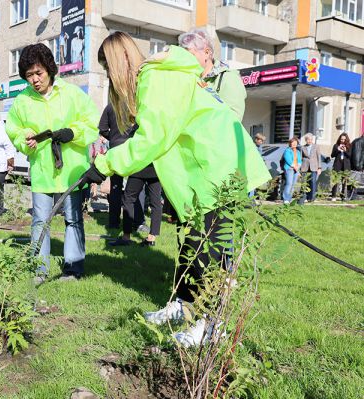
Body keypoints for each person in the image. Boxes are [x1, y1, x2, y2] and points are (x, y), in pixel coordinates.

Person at [81, 32, 269, 346]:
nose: (109, 78)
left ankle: (212, 326)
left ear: (119, 63)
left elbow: (152, 139)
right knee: (192, 247)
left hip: (218, 169)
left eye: (108, 68)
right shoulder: (159, 77)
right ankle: (183, 305)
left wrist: (103, 165)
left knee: (211, 252)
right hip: (202, 170)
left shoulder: (156, 79)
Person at [6, 43, 99, 282]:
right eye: (29, 76)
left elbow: (91, 123)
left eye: (39, 73)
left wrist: (72, 132)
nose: (35, 80)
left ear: (49, 69)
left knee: (73, 218)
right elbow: (13, 130)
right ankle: (39, 269)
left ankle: (73, 269)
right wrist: (25, 138)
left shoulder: (73, 94)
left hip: (71, 169)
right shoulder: (22, 101)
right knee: (40, 221)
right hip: (43, 170)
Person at [109, 123, 163, 247]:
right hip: (155, 167)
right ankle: (152, 237)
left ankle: (126, 236)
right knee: (155, 203)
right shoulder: (157, 124)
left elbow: (132, 143)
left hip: (140, 167)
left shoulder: (141, 124)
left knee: (128, 198)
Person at [179, 28, 247, 120]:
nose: (186, 59)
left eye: (191, 55)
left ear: (207, 53)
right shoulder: (189, 78)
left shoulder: (228, 78)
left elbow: (233, 120)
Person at [98, 104, 146, 230]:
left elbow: (102, 129)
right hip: (132, 150)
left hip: (116, 150)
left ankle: (114, 222)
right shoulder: (136, 106)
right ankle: (138, 222)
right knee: (137, 186)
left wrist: (113, 137)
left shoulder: (110, 107)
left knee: (115, 188)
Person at [300, 133, 322, 202]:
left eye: (311, 139)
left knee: (312, 182)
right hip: (305, 167)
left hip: (314, 167)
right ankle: (304, 197)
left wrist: (319, 167)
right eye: (308, 139)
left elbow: (319, 157)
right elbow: (300, 158)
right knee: (304, 182)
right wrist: (299, 168)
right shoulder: (302, 147)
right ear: (305, 140)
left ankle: (312, 197)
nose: (309, 141)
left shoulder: (316, 147)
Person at [330, 133, 352, 201]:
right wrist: (338, 150)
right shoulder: (336, 145)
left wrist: (345, 151)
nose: (342, 140)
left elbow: (350, 156)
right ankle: (333, 196)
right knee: (335, 181)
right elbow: (332, 155)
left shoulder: (349, 146)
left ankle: (343, 196)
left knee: (344, 182)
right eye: (341, 139)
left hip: (346, 166)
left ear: (346, 139)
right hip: (337, 165)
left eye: (344, 139)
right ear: (339, 139)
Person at [281, 137, 302, 204]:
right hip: (289, 169)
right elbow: (288, 160)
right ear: (290, 144)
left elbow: (299, 161)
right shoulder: (287, 151)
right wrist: (295, 167)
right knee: (289, 183)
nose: (294, 144)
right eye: (293, 143)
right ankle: (285, 199)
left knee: (293, 185)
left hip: (296, 169)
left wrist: (298, 167)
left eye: (295, 143)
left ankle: (289, 199)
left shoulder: (298, 151)